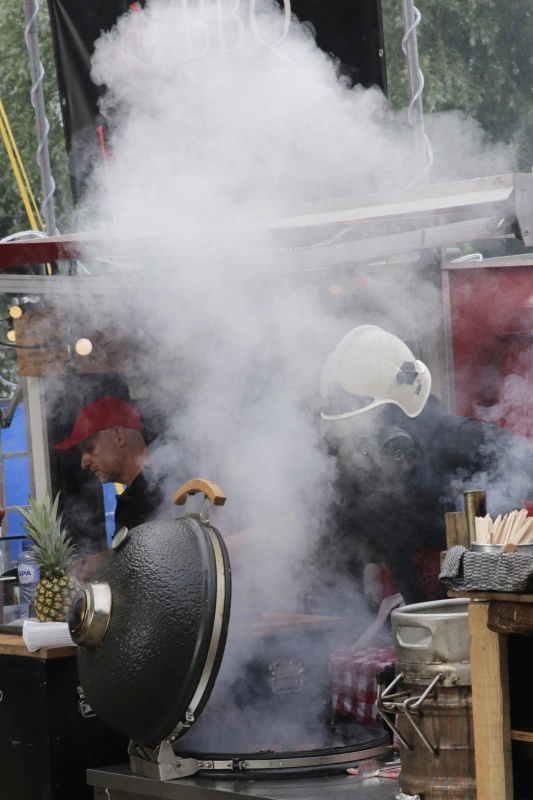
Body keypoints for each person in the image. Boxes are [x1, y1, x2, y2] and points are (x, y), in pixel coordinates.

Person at [319, 324, 533, 604]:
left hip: (502, 633)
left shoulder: (461, 442)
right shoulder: (363, 479)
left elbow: (524, 463)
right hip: (431, 633)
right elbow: (319, 528)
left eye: (366, 434)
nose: (360, 450)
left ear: (397, 424)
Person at [54, 396, 166, 534]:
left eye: (89, 449)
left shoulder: (167, 489)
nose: (84, 463)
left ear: (118, 436)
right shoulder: (129, 502)